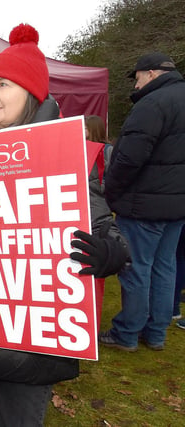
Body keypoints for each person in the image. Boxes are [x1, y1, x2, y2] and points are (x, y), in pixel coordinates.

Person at [0, 24, 129, 426]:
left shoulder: (65, 152)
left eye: (3, 84)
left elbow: (111, 236)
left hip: (31, 347)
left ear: (32, 93)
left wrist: (106, 253)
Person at [101, 52, 185, 349]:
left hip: (143, 206)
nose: (135, 85)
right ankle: (156, 332)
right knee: (165, 268)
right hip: (176, 206)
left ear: (151, 73)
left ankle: (127, 333)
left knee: (136, 267)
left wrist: (110, 192)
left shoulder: (152, 103)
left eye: (137, 77)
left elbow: (128, 158)